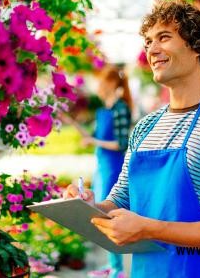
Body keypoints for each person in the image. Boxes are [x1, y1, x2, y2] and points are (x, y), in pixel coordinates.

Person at [64, 0, 200, 277]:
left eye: (164, 38)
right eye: (148, 42)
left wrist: (148, 228)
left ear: (196, 45)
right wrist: (88, 207)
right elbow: (121, 198)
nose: (151, 50)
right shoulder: (145, 127)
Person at [65, 65, 132, 278]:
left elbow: (121, 143)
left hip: (114, 168)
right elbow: (93, 138)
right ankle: (112, 265)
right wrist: (71, 122)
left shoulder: (120, 108)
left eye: (102, 82)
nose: (99, 86)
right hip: (102, 167)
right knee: (97, 215)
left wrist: (94, 140)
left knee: (109, 216)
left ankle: (118, 269)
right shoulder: (104, 110)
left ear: (112, 83)